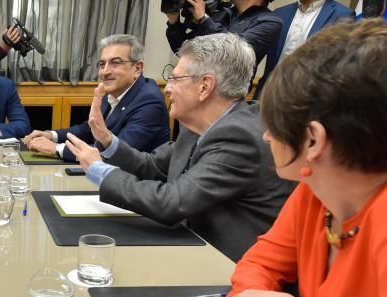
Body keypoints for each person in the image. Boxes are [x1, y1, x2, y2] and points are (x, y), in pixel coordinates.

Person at [219, 19, 387, 297]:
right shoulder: (315, 193)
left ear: (312, 140)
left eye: (272, 126)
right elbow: (258, 265)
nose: (264, 139)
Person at [66, 33, 295, 263]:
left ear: (205, 86)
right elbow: (153, 165)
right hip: (191, 246)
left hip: (227, 268)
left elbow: (172, 202)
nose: (167, 88)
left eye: (175, 79)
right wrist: (107, 140)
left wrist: (99, 171)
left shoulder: (240, 136)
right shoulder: (197, 125)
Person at [23, 34, 170, 162]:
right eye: (102, 64)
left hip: (137, 186)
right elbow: (89, 128)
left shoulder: (149, 101)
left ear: (137, 68)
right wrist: (51, 135)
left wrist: (56, 149)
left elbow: (116, 153)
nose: (105, 71)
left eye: (115, 63)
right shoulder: (113, 90)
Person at [254, 0, 354, 99]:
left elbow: (335, 67)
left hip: (307, 101)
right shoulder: (280, 13)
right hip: (267, 96)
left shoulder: (342, 15)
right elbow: (255, 55)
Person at [166, 0, 282, 68]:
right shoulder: (223, 13)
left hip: (225, 96)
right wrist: (173, 21)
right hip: (194, 87)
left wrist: (203, 19)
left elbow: (235, 52)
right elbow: (181, 48)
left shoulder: (270, 21)